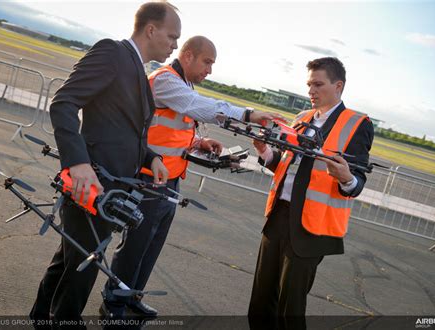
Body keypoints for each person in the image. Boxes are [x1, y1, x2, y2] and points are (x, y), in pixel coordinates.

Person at [103, 35, 284, 317]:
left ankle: (132, 297)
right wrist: (249, 114)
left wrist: (198, 141)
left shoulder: (182, 83)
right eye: (207, 62)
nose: (209, 70)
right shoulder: (165, 80)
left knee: (151, 246)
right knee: (135, 246)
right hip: (148, 178)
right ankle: (113, 304)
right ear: (187, 56)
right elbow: (200, 107)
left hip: (170, 180)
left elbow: (172, 126)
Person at [29, 2, 181, 326]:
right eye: (172, 37)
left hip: (111, 189)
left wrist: (151, 157)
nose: (175, 45)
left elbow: (124, 131)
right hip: (93, 182)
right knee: (85, 262)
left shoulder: (137, 69)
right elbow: (64, 103)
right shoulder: (111, 53)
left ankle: (41, 315)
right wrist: (78, 163)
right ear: (151, 30)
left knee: (71, 257)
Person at [248, 57, 374, 325]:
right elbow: (285, 167)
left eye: (318, 84)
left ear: (338, 86)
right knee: (259, 304)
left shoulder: (357, 124)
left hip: (312, 227)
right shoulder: (302, 118)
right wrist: (264, 151)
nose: (311, 91)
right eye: (309, 85)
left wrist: (346, 177)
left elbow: (357, 182)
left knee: (289, 310)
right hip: (278, 217)